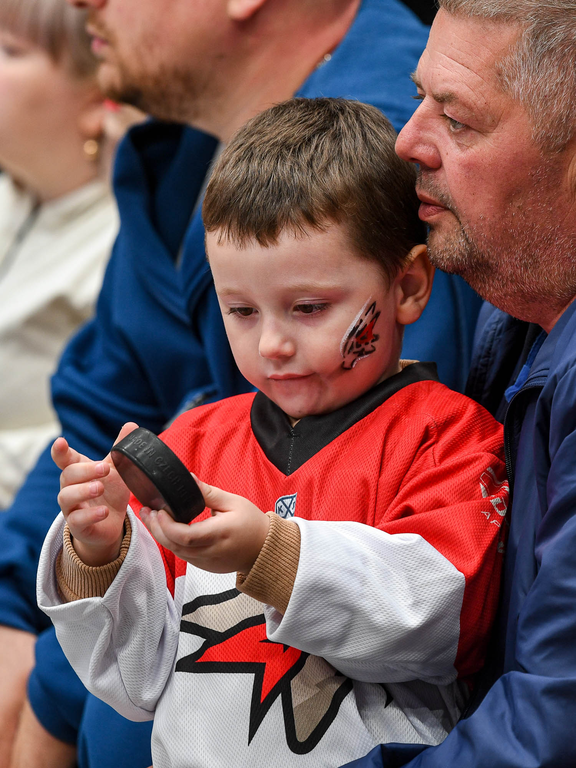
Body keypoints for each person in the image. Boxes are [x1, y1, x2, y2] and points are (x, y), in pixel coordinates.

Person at [0, 1, 482, 766]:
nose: (274, 344)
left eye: (310, 309)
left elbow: (449, 622)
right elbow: (136, 673)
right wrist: (96, 555)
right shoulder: (198, 436)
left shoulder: (443, 428)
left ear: (409, 289)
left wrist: (272, 551)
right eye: (241, 311)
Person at [343, 1, 576, 767]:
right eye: (419, 98)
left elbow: (548, 732)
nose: (408, 140)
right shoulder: (513, 305)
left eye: (459, 121)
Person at [0, 0, 121, 509]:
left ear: (96, 102)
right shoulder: (13, 193)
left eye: (10, 50)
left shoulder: (113, 243)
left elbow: (91, 435)